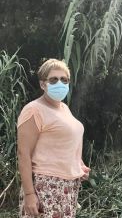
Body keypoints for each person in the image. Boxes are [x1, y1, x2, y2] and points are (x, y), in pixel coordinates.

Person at [17, 59, 90, 218]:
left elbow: (64, 143)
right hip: (46, 187)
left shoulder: (64, 108)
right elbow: (23, 154)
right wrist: (30, 194)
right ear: (43, 84)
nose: (60, 83)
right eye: (53, 79)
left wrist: (79, 165)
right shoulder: (34, 110)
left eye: (64, 80)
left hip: (67, 186)